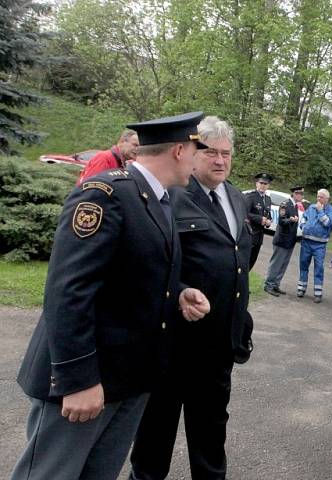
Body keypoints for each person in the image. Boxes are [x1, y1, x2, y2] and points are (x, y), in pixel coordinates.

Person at [11, 112, 211, 480]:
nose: (201, 160)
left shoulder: (160, 199)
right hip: (87, 382)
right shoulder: (106, 195)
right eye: (199, 150)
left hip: (129, 380)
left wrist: (180, 293)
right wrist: (78, 380)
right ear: (181, 151)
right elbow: (68, 291)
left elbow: (134, 270)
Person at [129, 116, 253, 480]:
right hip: (174, 344)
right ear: (194, 153)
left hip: (218, 346)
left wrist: (241, 325)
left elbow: (239, 262)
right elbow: (154, 263)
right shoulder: (172, 195)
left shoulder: (234, 197)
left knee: (211, 433)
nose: (220, 161)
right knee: (155, 432)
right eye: (211, 152)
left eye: (226, 154)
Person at [297, 188, 332, 303]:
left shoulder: (331, 210)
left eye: (321, 197)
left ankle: (318, 293)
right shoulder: (311, 207)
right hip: (306, 241)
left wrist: (320, 211)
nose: (318, 199)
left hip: (320, 244)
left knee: (319, 268)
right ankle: (301, 288)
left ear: (327, 199)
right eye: (318, 196)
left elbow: (327, 223)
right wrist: (303, 226)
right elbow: (304, 217)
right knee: (303, 265)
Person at [263, 185, 304, 296]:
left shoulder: (295, 205)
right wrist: (290, 220)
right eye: (300, 194)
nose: (302, 196)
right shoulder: (285, 204)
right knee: (276, 263)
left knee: (283, 264)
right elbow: (282, 221)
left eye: (302, 194)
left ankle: (276, 284)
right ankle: (269, 285)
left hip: (290, 240)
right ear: (295, 194)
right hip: (282, 239)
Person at [244, 172, 273, 270]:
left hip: (259, 237)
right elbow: (245, 213)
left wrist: (269, 221)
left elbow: (268, 215)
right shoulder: (251, 196)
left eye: (265, 184)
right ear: (257, 183)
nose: (263, 186)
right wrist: (260, 219)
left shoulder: (268, 199)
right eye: (261, 183)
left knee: (252, 262)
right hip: (249, 234)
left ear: (268, 185)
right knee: (244, 263)